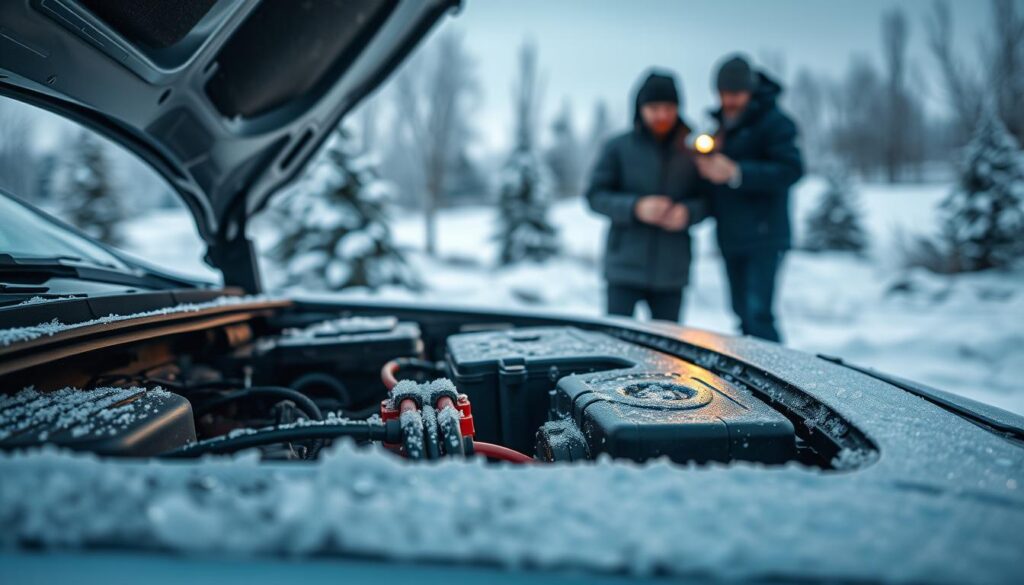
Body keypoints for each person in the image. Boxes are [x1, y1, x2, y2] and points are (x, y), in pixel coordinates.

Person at [695, 55, 803, 342]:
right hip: (730, 234)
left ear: (750, 90)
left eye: (736, 93)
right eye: (724, 93)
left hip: (765, 235)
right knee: (741, 313)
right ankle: (749, 376)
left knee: (759, 315)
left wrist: (737, 172)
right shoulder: (715, 125)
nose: (730, 100)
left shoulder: (775, 122)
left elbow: (791, 169)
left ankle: (775, 381)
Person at [586, 71, 708, 322]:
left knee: (668, 351)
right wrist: (636, 208)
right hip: (623, 268)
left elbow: (710, 199)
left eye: (668, 107)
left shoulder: (694, 149)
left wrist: (688, 213)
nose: (662, 115)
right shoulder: (618, 147)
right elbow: (595, 196)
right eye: (654, 108)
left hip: (672, 271)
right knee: (617, 343)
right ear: (640, 108)